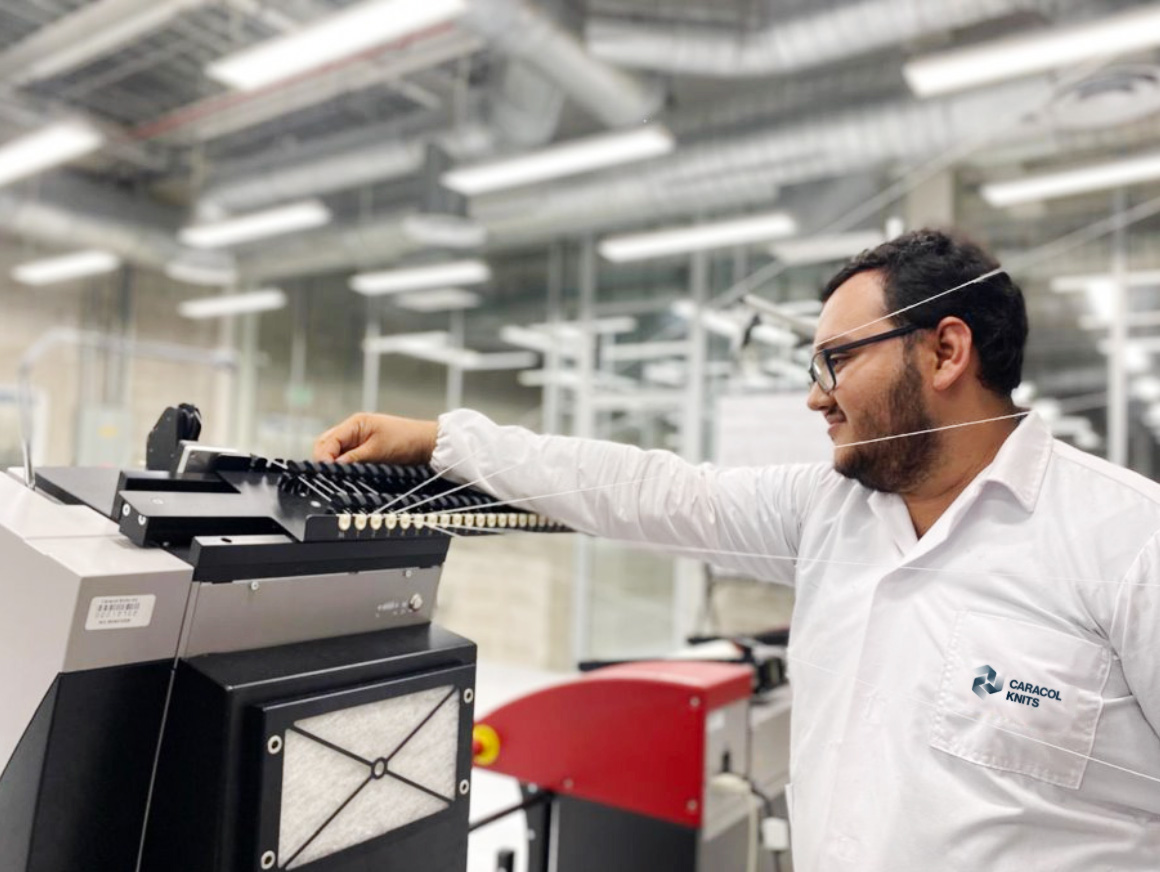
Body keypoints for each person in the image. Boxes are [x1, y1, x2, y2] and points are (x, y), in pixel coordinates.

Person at [315, 229, 1160, 871]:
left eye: (835, 361)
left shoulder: (1128, 541)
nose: (814, 398)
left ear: (945, 351)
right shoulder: (834, 512)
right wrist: (443, 440)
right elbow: (655, 491)